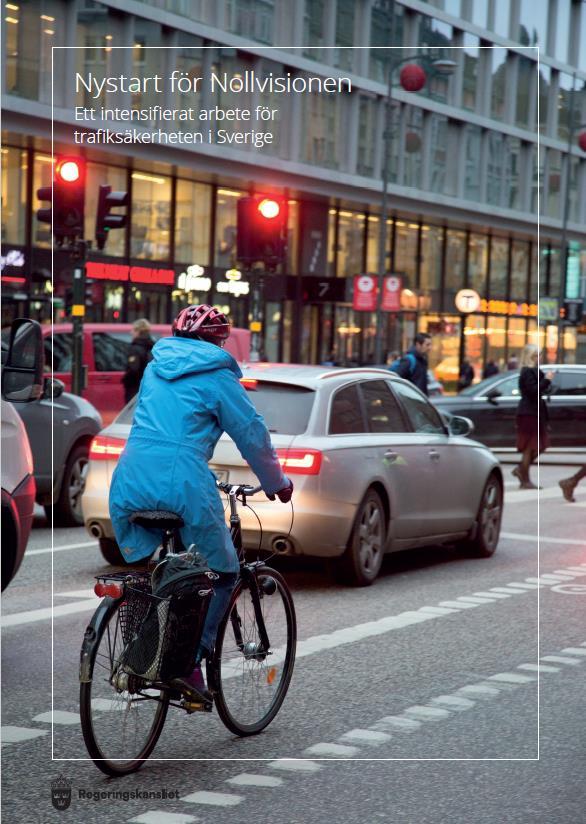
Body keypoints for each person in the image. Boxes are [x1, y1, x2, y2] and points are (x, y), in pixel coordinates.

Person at [109, 304, 293, 703]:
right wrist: (276, 482)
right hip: (184, 482)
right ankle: (189, 665)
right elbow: (250, 432)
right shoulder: (217, 375)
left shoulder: (156, 367)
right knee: (224, 571)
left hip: (130, 476)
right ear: (217, 341)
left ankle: (146, 652)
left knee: (167, 570)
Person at [512, 344, 553, 490]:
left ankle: (520, 470)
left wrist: (547, 381)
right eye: (538, 355)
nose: (541, 357)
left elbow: (542, 389)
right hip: (529, 413)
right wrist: (547, 380)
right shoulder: (527, 372)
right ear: (532, 356)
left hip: (536, 412)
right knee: (530, 448)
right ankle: (525, 480)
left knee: (540, 447)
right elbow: (533, 391)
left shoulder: (535, 371)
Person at [122, 318, 155, 404]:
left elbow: (133, 370)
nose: (131, 332)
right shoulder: (153, 346)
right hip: (149, 387)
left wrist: (125, 380)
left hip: (135, 389)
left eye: (132, 330)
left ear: (138, 331)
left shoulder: (135, 348)